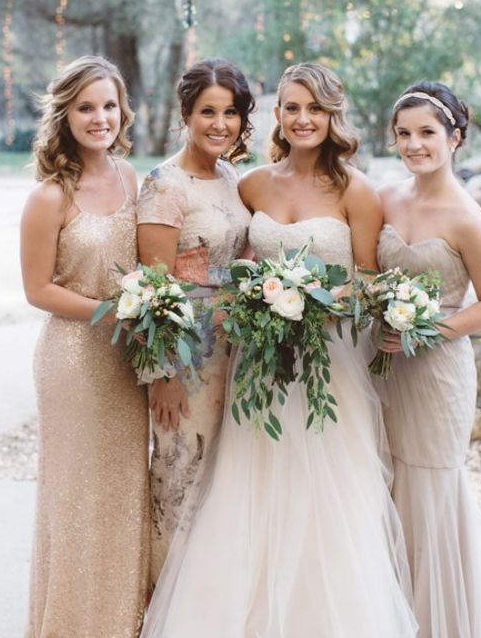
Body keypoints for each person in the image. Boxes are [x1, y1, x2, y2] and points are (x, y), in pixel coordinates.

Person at [141, 62, 417, 638]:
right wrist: (261, 298)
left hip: (327, 368)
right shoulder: (251, 184)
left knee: (323, 498)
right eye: (291, 107)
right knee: (249, 487)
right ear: (277, 116)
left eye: (314, 107)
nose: (303, 118)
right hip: (257, 368)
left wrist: (312, 301)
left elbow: (366, 281)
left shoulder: (357, 192)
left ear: (332, 115)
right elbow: (230, 261)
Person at [377, 81, 481, 638]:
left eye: (427, 133)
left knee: (430, 495)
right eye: (404, 134)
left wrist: (422, 329)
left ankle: (437, 623)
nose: (415, 145)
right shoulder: (387, 198)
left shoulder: (467, 217)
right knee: (384, 484)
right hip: (381, 365)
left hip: (436, 374)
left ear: (454, 137)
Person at [20, 55, 149, 638]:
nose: (101, 118)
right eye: (86, 107)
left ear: (123, 111)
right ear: (66, 115)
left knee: (124, 495)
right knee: (74, 500)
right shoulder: (51, 196)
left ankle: (119, 624)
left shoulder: (134, 181)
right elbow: (37, 289)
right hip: (73, 361)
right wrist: (110, 312)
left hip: (128, 362)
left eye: (109, 106)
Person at [136, 58, 254, 584]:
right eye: (208, 111)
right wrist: (162, 375)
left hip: (236, 349)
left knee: (219, 481)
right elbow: (154, 287)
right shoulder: (164, 184)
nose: (220, 124)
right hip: (186, 354)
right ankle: (162, 601)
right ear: (185, 112)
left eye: (230, 112)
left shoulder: (230, 176)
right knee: (180, 469)